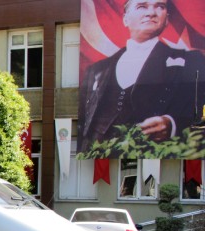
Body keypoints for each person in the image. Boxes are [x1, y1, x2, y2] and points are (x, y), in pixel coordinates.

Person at [77, 0, 205, 153]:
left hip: (155, 153)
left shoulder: (191, 62)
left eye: (160, 6)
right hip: (99, 156)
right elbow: (83, 122)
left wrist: (172, 124)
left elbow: (198, 111)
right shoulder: (96, 70)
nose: (151, 13)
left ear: (167, 19)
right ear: (125, 19)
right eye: (142, 6)